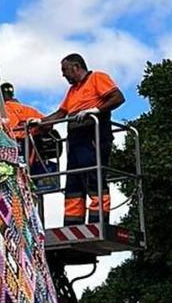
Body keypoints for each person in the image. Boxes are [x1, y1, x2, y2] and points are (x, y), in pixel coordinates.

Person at [40, 53, 124, 229]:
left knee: (93, 177)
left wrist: (95, 110)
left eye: (65, 70)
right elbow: (61, 113)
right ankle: (72, 225)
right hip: (76, 138)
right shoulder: (72, 90)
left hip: (93, 135)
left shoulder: (97, 78)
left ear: (76, 67)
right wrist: (40, 123)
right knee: (74, 182)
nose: (63, 75)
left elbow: (118, 97)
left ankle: (97, 223)